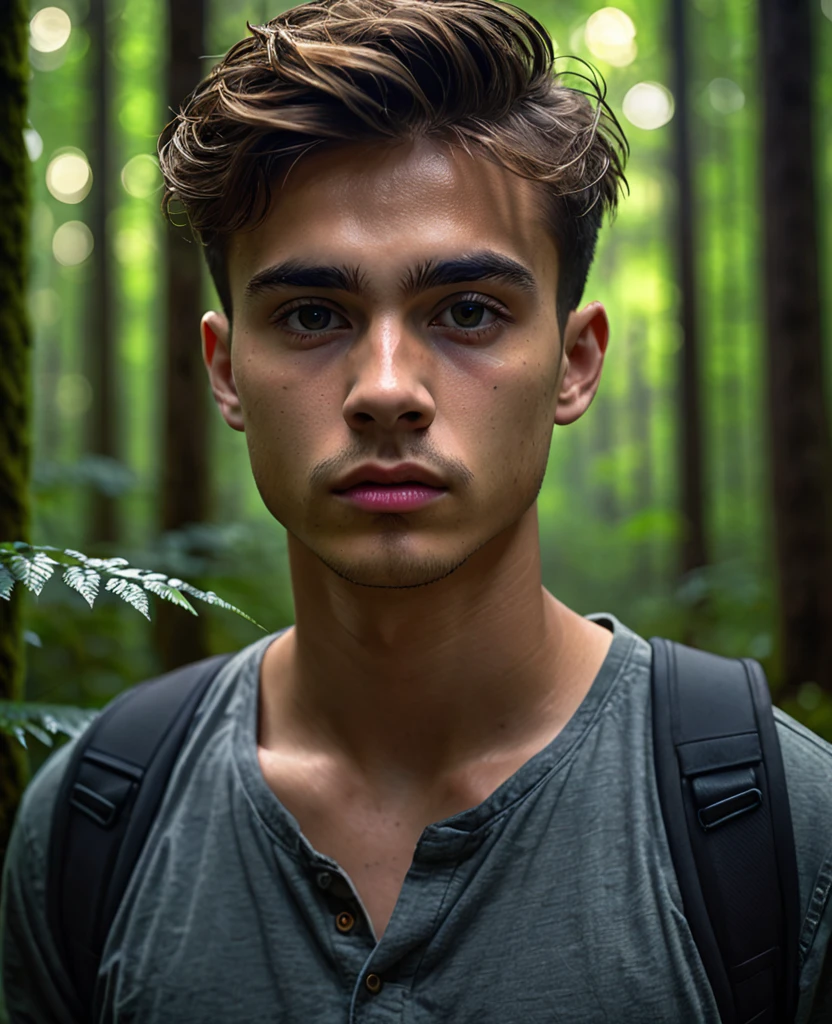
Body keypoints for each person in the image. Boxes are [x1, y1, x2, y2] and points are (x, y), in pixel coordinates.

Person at [2, 0, 831, 1020]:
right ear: (225, 371)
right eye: (312, 315)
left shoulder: (783, 828)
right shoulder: (94, 823)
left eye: (467, 312)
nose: (386, 387)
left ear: (574, 363)